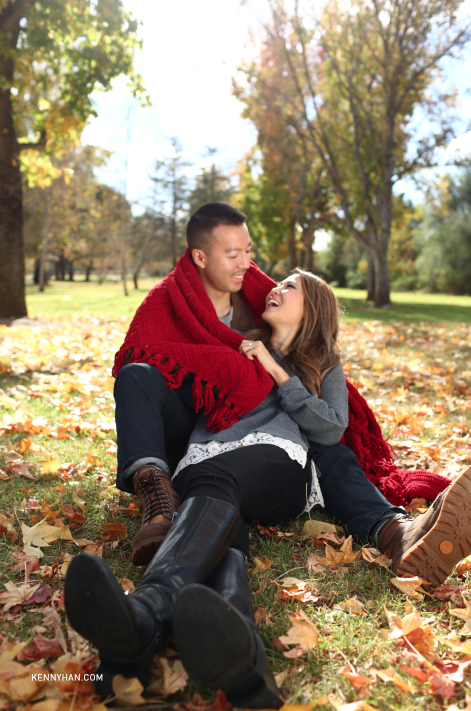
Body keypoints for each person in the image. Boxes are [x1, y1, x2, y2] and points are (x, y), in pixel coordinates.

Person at [64, 203, 471, 705]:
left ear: (311, 310)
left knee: (218, 482)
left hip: (277, 465)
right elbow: (188, 365)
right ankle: (244, 670)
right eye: (272, 285)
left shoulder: (316, 362)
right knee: (220, 538)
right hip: (206, 466)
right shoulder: (239, 343)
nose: (269, 286)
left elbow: (330, 431)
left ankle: (145, 612)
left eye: (287, 289)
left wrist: (279, 373)